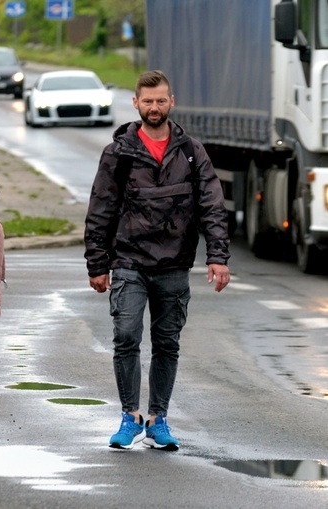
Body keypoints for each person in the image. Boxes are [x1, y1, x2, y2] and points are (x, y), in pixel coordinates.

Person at [84, 70, 231, 451]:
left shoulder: (191, 152)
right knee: (126, 337)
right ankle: (129, 416)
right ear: (135, 103)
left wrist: (217, 256)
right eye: (147, 101)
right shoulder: (119, 153)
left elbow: (212, 207)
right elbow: (101, 209)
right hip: (129, 262)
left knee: (167, 343)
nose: (154, 107)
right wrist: (97, 264)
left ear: (171, 102)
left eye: (160, 100)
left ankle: (158, 419)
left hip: (174, 266)